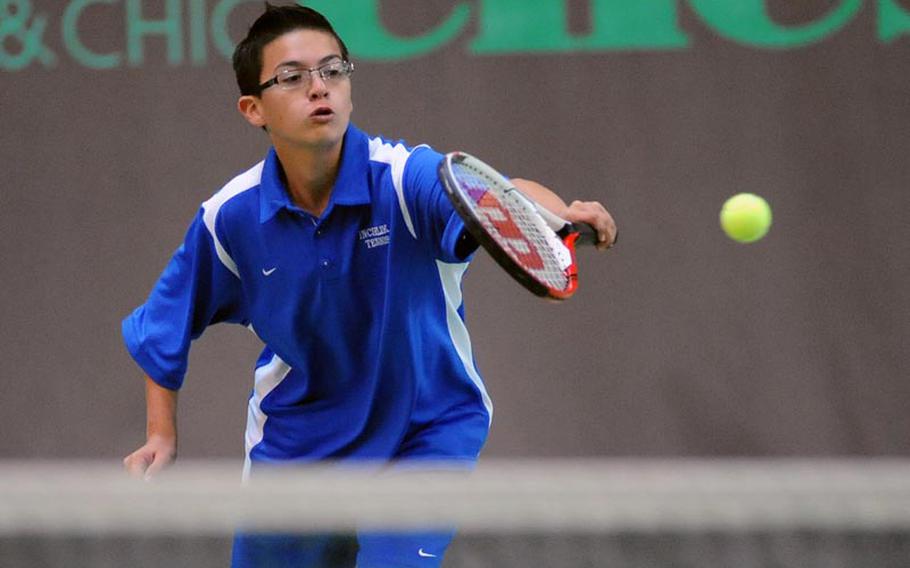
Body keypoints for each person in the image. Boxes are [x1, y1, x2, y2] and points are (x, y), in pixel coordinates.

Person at [122, 3, 617, 567]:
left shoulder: (404, 179)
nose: (319, 88)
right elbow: (164, 326)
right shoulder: (230, 218)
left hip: (424, 431)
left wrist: (553, 214)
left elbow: (497, 193)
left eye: (333, 70)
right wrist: (161, 437)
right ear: (253, 108)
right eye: (293, 76)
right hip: (299, 448)